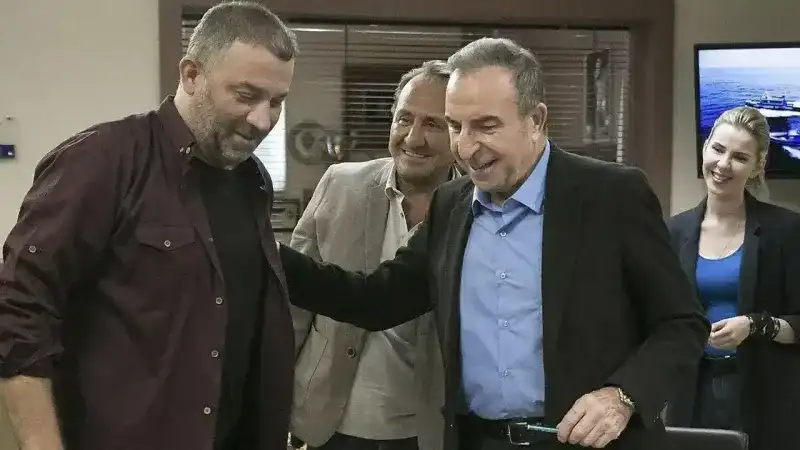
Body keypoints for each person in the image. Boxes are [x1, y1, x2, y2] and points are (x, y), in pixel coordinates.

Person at [277, 37, 709, 450]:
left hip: (590, 444)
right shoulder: (451, 204)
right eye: (455, 126)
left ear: (536, 120)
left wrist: (622, 395)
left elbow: (682, 324)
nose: (466, 147)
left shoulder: (613, 195)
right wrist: (266, 254)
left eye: (486, 126)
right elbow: (378, 299)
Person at [0, 2, 298, 450]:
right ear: (191, 75)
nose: (263, 120)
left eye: (276, 102)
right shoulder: (104, 160)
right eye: (245, 95)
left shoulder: (251, 179)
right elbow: (20, 307)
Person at [289, 60, 457, 450]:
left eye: (433, 124)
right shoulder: (340, 183)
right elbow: (292, 309)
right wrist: (279, 404)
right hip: (328, 424)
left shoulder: (474, 210)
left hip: (426, 433)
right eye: (404, 119)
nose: (413, 138)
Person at [664, 107, 800, 450]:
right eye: (718, 149)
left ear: (757, 166)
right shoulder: (673, 231)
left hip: (765, 400)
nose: (723, 164)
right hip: (691, 397)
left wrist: (754, 325)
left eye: (739, 157)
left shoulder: (786, 230)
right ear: (705, 147)